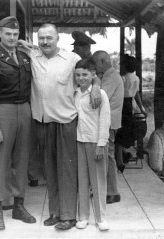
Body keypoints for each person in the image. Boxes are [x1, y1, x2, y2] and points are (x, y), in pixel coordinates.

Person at [0, 23, 101, 231]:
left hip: (65, 121)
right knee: (49, 171)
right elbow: (8, 42)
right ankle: (55, 212)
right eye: (41, 38)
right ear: (37, 41)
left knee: (66, 170)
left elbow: (91, 72)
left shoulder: (71, 59)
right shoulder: (32, 54)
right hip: (41, 122)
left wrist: (96, 87)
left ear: (58, 39)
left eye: (50, 38)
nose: (45, 42)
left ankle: (67, 216)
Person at [0, 16, 36, 230]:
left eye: (15, 34)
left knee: (21, 160)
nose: (12, 37)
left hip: (24, 110)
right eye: (8, 34)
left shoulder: (25, 56)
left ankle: (18, 206)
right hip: (1, 110)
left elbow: (46, 50)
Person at [74, 59, 110, 231]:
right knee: (82, 180)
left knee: (98, 181)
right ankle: (82, 216)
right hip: (79, 141)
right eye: (78, 75)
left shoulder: (100, 94)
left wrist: (101, 144)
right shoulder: (74, 94)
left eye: (85, 74)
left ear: (93, 74)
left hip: (95, 142)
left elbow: (105, 120)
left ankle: (101, 218)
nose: (81, 78)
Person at [92, 50, 124, 204]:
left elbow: (100, 97)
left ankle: (112, 192)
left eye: (96, 63)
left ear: (103, 62)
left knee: (108, 156)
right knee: (106, 155)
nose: (94, 67)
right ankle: (108, 190)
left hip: (109, 122)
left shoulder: (111, 77)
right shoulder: (109, 75)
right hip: (108, 121)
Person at [115, 54, 147, 172]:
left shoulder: (122, 78)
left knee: (119, 132)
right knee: (124, 130)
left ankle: (119, 161)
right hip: (129, 106)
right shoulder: (136, 78)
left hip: (121, 104)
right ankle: (123, 155)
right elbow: (137, 95)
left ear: (125, 66)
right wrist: (142, 108)